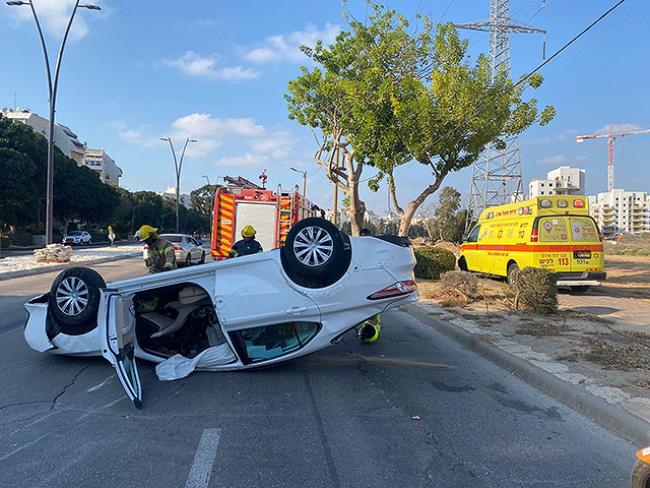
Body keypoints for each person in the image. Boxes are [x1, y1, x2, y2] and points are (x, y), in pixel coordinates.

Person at [358, 227, 381, 344]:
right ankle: (368, 323)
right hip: (363, 282)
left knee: (371, 306)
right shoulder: (360, 249)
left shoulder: (374, 249)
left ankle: (371, 322)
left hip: (372, 282)